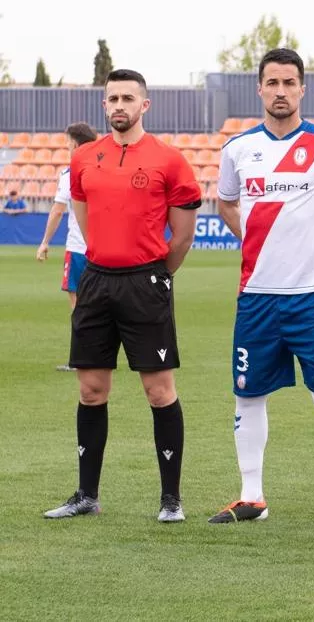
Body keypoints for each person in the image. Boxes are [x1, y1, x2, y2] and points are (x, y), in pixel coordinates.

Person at [209, 48, 314, 530]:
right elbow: (226, 205)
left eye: (289, 83)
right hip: (256, 296)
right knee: (247, 397)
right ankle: (252, 496)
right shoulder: (237, 149)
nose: (281, 91)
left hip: (310, 298)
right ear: (259, 88)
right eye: (272, 83)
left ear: (302, 89)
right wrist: (258, 243)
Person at [44, 69, 202, 522]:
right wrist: (108, 259)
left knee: (158, 391)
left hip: (145, 282)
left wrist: (152, 272)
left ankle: (170, 499)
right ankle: (86, 496)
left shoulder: (170, 160)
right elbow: (85, 219)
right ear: (104, 105)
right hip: (96, 281)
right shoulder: (84, 159)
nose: (119, 105)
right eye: (112, 98)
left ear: (144, 105)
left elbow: (183, 236)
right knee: (92, 390)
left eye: (128, 98)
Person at [36, 122, 99, 371]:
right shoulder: (105, 169)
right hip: (104, 249)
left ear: (74, 143)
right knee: (101, 304)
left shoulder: (70, 173)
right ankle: (101, 355)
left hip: (79, 249)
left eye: (67, 144)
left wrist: (44, 242)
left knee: (78, 305)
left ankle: (81, 359)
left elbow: (58, 210)